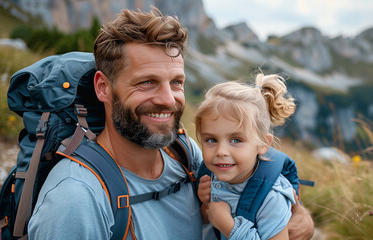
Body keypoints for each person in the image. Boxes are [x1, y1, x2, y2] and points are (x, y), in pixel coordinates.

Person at [27, 6, 314, 240]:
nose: (168, 99)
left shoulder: (185, 152)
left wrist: (298, 216)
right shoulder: (77, 198)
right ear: (103, 88)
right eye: (147, 82)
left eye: (176, 82)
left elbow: (256, 189)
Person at [195, 73, 298, 240]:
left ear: (263, 144)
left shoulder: (272, 198)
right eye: (211, 139)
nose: (221, 151)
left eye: (236, 140)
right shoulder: (212, 177)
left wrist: (228, 226)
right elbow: (208, 219)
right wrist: (204, 202)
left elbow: (220, 220)